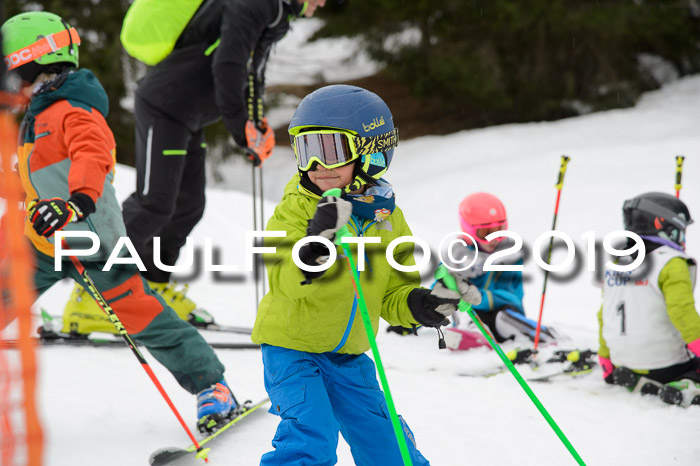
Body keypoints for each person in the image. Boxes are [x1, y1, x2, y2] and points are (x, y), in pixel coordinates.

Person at [1, 11, 237, 432]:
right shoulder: (38, 113)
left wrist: (76, 202)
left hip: (94, 242)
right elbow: (30, 178)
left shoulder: (76, 111)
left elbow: (92, 158)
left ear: (33, 60)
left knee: (146, 318)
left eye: (9, 68)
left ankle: (211, 386)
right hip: (43, 242)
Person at [64, 0, 327, 332]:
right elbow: (228, 63)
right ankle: (93, 294)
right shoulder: (255, 3)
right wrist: (240, 128)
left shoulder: (274, 12)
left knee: (188, 206)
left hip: (187, 115)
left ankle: (152, 285)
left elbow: (252, 69)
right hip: (165, 106)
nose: (322, 2)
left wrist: (254, 123)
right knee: (154, 202)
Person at [251, 84, 480, 465]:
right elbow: (285, 282)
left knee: (387, 445)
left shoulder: (387, 217)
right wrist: (317, 241)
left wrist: (423, 304)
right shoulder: (296, 209)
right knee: (311, 438)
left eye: (330, 151)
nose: (316, 166)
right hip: (292, 351)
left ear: (372, 152)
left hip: (350, 355)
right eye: (306, 151)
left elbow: (394, 294)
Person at [391, 192, 558, 349]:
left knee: (504, 318)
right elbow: (438, 296)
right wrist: (415, 320)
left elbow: (513, 297)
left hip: (502, 315)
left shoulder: (508, 256)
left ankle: (548, 341)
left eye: (499, 231)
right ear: (468, 229)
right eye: (485, 232)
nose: (494, 239)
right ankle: (472, 339)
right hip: (470, 316)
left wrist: (480, 297)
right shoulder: (457, 256)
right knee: (460, 307)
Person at [597, 192, 700, 406]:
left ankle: (633, 375)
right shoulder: (671, 263)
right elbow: (682, 312)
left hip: (620, 359)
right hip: (665, 364)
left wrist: (605, 357)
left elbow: (604, 314)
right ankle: (687, 383)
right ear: (664, 227)